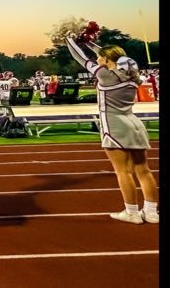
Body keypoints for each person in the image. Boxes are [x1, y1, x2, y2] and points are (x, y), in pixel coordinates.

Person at [65, 36, 158, 224]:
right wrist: (89, 42)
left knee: (123, 171)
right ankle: (151, 212)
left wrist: (69, 39)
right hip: (134, 123)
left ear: (108, 60)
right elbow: (116, 57)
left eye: (101, 57)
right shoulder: (134, 77)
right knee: (143, 170)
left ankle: (131, 212)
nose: (98, 59)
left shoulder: (106, 75)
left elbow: (79, 57)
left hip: (114, 124)